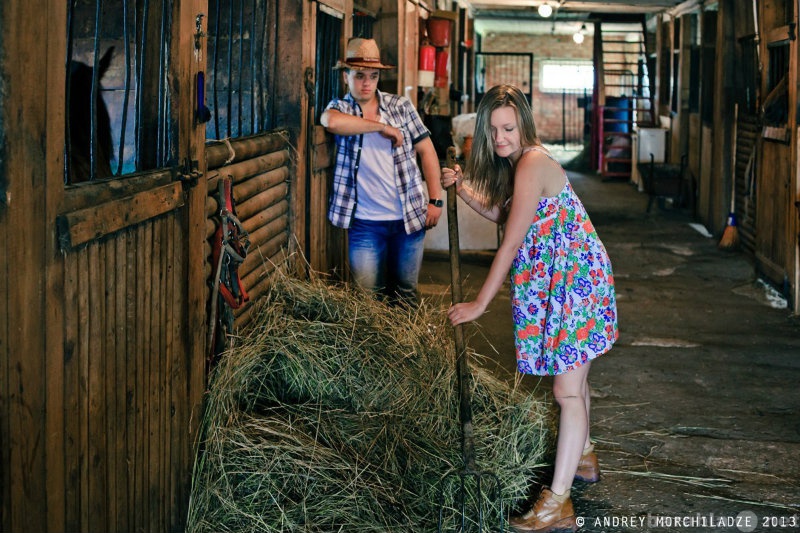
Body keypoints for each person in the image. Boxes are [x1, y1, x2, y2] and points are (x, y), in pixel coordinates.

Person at [442, 84, 618, 533]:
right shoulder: (523, 164)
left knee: (567, 392)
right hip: (570, 280)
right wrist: (462, 189)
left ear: (523, 123)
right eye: (493, 130)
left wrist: (480, 303)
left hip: (575, 284)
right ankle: (582, 457)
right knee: (576, 381)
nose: (500, 138)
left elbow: (511, 240)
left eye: (508, 128)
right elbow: (507, 216)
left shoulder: (533, 163)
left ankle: (557, 504)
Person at [321, 37, 443, 306]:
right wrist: (379, 127)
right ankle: (371, 349)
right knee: (366, 299)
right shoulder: (340, 108)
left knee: (406, 294)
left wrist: (435, 199)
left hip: (408, 218)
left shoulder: (400, 106)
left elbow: (427, 150)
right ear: (346, 76)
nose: (366, 83)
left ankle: (407, 349)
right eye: (359, 75)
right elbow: (329, 121)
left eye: (373, 76)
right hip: (365, 223)